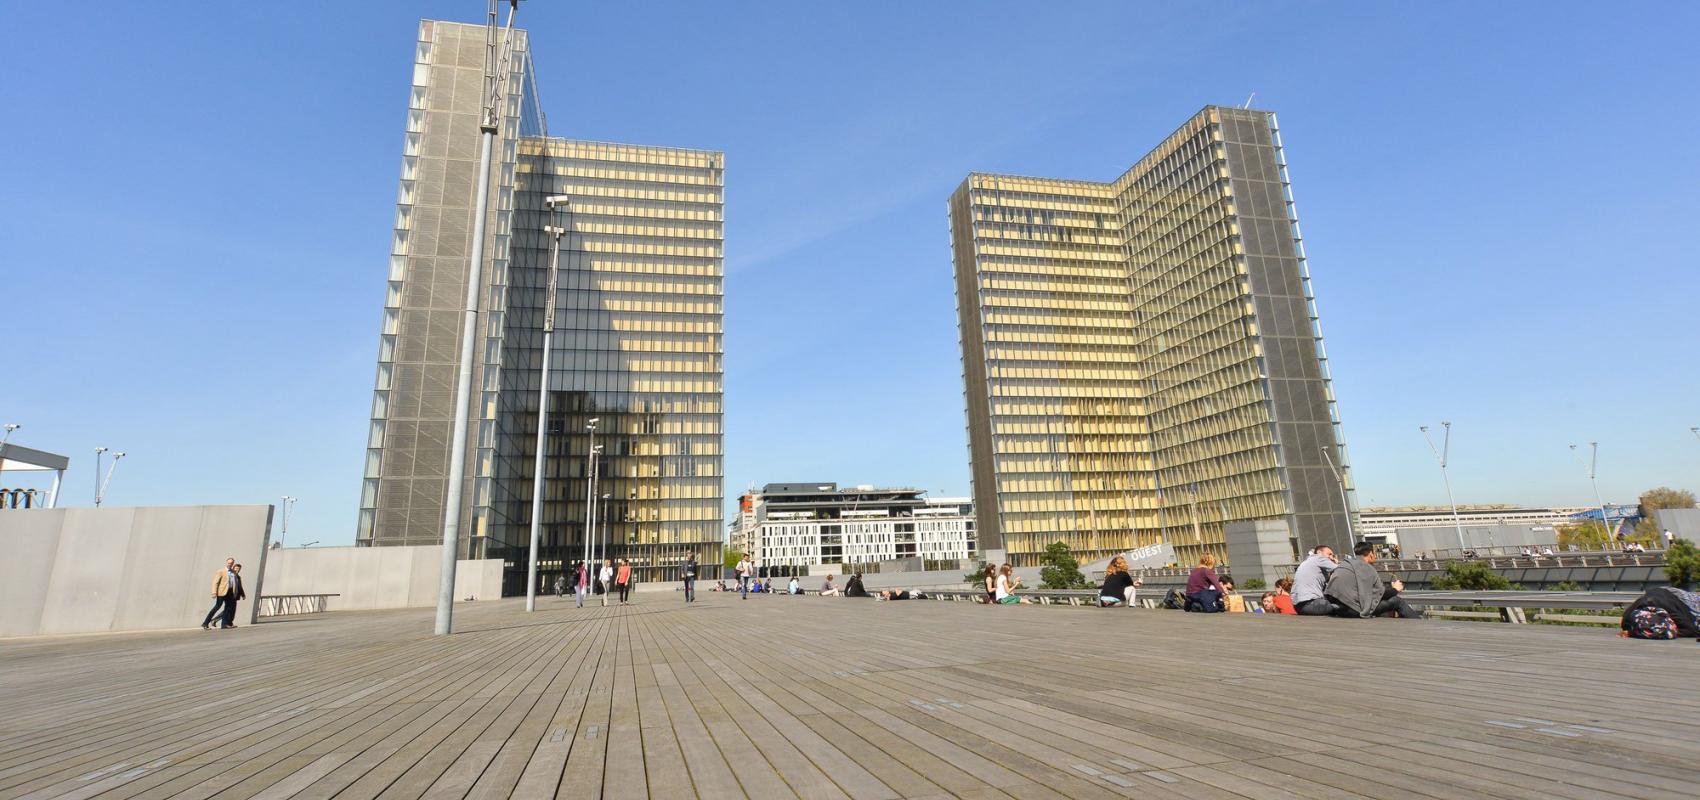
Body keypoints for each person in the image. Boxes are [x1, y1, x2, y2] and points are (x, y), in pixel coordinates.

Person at [1325, 541, 1420, 619]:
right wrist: (1395, 589)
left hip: (1338, 610)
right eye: (1374, 554)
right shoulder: (1367, 568)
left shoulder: (1345, 564)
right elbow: (1381, 595)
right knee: (1397, 601)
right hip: (1354, 611)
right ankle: (1418, 623)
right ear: (1370, 554)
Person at [1291, 545, 1339, 616]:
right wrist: (1336, 563)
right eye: (1329, 554)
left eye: (1333, 555)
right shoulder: (1319, 558)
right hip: (1312, 604)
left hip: (1299, 606)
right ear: (1319, 552)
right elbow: (1341, 569)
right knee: (1341, 608)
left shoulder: (1307, 562)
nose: (1332, 557)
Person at [201, 557, 238, 630]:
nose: (230, 564)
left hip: (230, 593)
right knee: (217, 607)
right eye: (229, 563)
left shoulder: (233, 572)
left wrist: (235, 593)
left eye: (231, 563)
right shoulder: (221, 571)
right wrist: (214, 592)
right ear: (226, 563)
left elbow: (235, 583)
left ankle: (224, 624)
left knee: (228, 608)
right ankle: (205, 623)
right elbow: (215, 582)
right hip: (221, 592)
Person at [218, 563, 248, 629]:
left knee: (232, 610)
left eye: (239, 569)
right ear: (233, 568)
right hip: (231, 595)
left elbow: (240, 587)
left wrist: (243, 595)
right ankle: (224, 623)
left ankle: (229, 623)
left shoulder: (238, 576)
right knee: (228, 610)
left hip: (235, 596)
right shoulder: (232, 575)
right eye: (236, 568)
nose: (237, 570)